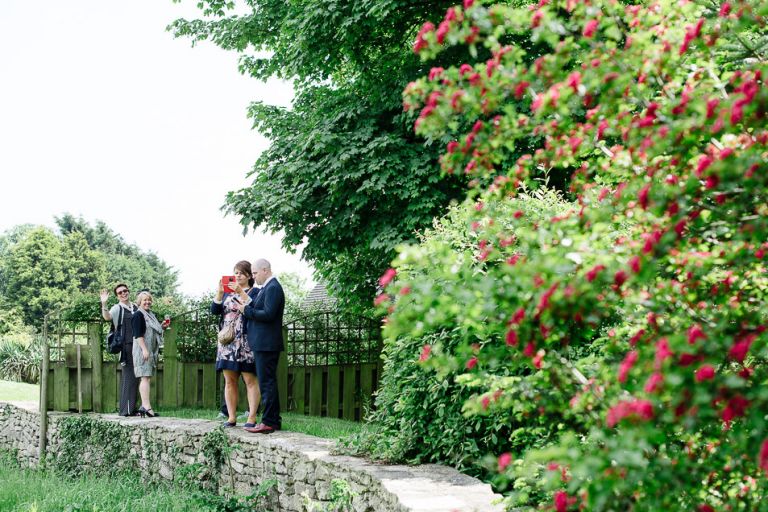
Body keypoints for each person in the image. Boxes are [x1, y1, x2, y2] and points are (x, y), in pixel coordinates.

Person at [212, 260, 260, 428]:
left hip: (246, 341)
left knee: (250, 380)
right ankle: (231, 417)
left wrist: (240, 292)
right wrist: (220, 293)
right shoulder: (226, 293)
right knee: (229, 380)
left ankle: (251, 418)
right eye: (235, 272)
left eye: (241, 273)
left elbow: (255, 307)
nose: (237, 276)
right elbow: (214, 311)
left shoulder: (255, 291)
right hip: (227, 342)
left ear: (249, 275)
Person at [240, 258, 285, 434]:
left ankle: (269, 422)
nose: (253, 276)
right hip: (263, 343)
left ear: (265, 270)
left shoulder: (273, 287)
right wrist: (246, 305)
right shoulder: (266, 288)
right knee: (267, 381)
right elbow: (260, 307)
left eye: (255, 273)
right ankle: (273, 420)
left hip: (267, 343)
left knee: (267, 383)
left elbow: (268, 314)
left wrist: (247, 311)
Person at [100, 284, 139, 416]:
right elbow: (107, 317)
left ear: (128, 291)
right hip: (126, 347)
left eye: (125, 291)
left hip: (138, 346)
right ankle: (125, 411)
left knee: (137, 377)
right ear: (117, 296)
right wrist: (104, 303)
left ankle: (132, 408)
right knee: (128, 377)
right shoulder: (117, 308)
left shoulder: (135, 307)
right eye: (120, 292)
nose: (123, 293)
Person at [132, 290, 165, 418]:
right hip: (142, 350)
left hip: (149, 350)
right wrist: (144, 350)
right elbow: (138, 334)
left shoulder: (150, 315)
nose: (147, 302)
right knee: (144, 377)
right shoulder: (138, 315)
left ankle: (145, 406)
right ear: (139, 302)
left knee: (147, 377)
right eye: (144, 300)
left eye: (149, 300)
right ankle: (146, 407)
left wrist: (162, 326)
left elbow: (152, 330)